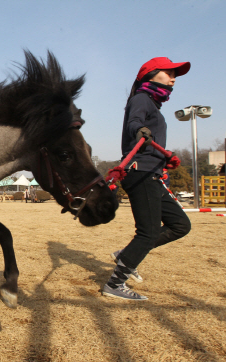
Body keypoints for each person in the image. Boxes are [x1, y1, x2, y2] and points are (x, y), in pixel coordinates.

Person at [102, 57, 192, 301]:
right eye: (168, 72)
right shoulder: (141, 99)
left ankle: (126, 254)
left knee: (181, 225)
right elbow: (134, 122)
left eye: (175, 73)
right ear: (150, 75)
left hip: (154, 174)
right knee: (148, 232)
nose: (173, 77)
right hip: (140, 173)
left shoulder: (153, 103)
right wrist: (139, 130)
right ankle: (114, 284)